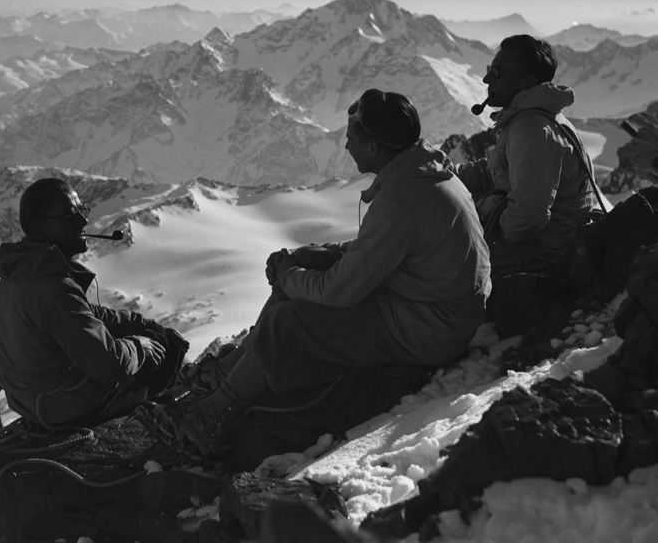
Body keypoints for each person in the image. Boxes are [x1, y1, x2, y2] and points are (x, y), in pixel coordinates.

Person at [141, 89, 491, 457]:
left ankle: (209, 419)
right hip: (435, 305)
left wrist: (289, 275)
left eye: (351, 138)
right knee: (298, 284)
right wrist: (314, 255)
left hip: (431, 326)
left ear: (373, 148)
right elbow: (381, 252)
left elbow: (341, 291)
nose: (345, 146)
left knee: (288, 322)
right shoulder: (424, 172)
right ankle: (228, 373)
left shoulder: (399, 200)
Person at [0, 177, 188, 428]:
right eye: (71, 215)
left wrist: (137, 323)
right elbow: (113, 365)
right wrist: (141, 345)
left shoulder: (19, 272)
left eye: (82, 211)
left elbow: (82, 314)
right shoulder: (55, 290)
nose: (83, 221)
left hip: (30, 401)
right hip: (63, 407)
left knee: (152, 334)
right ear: (40, 229)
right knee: (166, 347)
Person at [456, 35, 602, 276]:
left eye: (497, 72)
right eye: (489, 69)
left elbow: (527, 219)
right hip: (544, 236)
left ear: (526, 82)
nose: (486, 79)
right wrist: (450, 174)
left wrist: (487, 228)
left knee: (444, 260)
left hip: (546, 245)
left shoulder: (531, 131)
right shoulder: (531, 118)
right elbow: (502, 171)